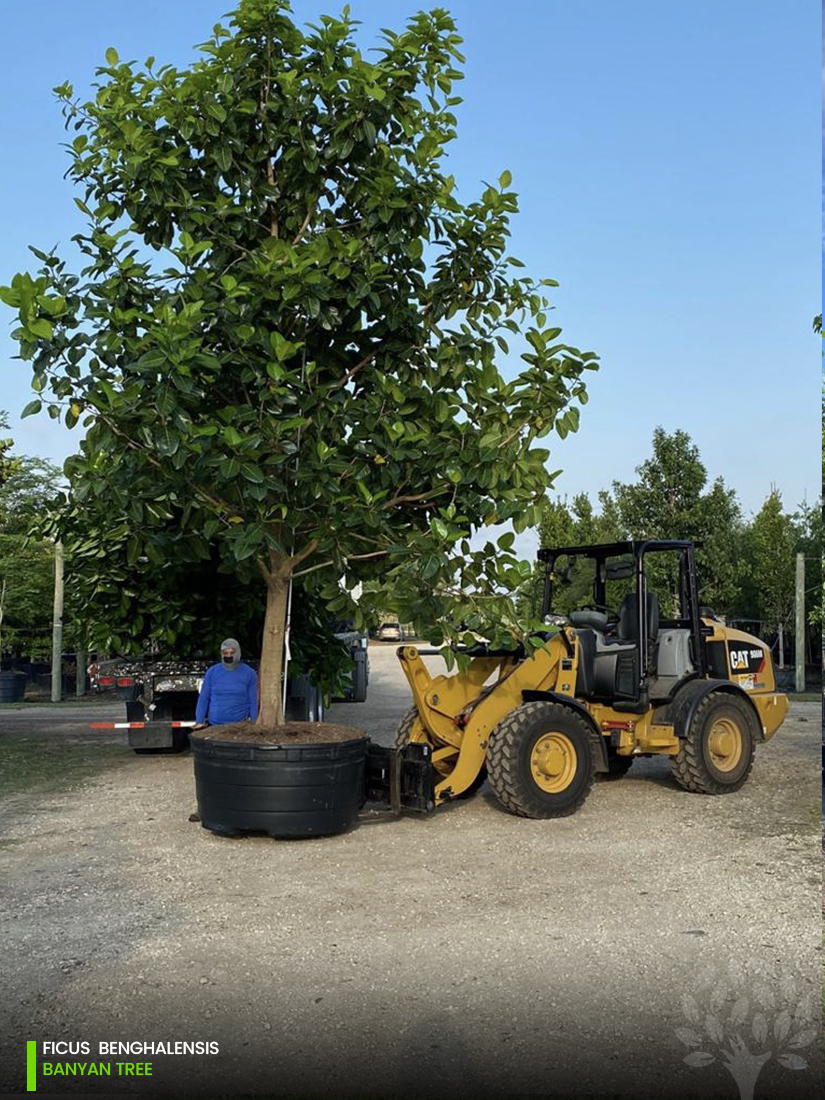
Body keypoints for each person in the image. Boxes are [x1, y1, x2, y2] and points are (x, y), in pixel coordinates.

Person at [193, 638, 258, 728]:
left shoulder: (249, 673)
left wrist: (255, 723)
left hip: (240, 726)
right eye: (225, 653)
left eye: (232, 653)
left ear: (238, 653)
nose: (228, 656)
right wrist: (199, 720)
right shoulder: (212, 672)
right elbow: (204, 697)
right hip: (214, 726)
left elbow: (253, 700)